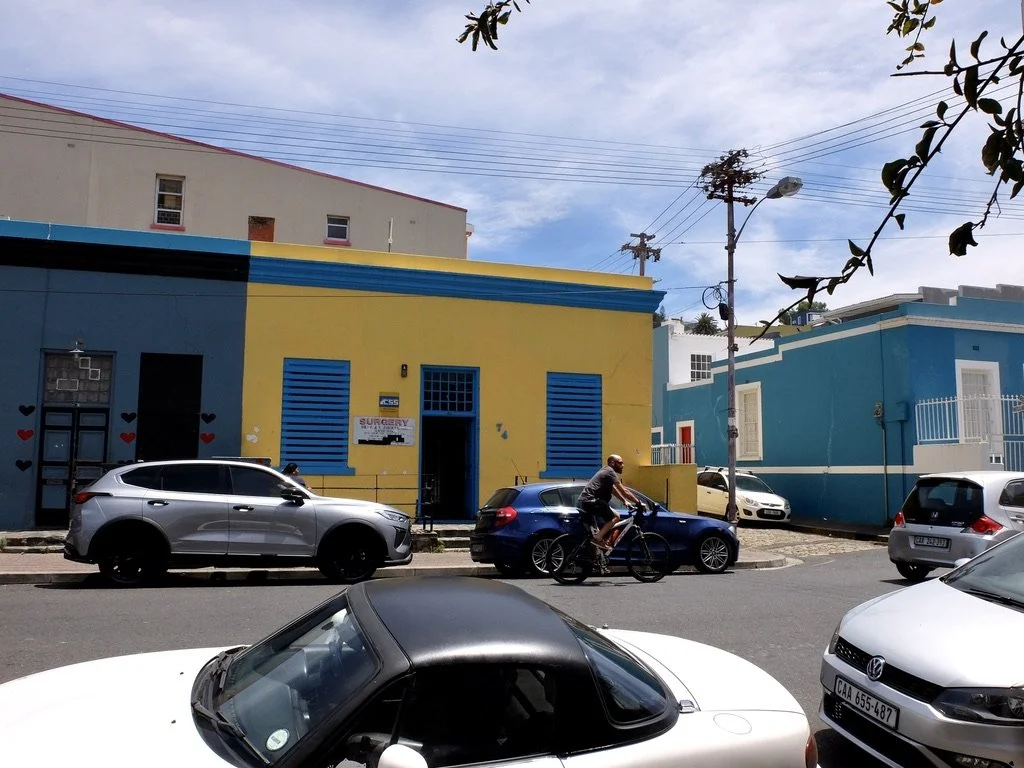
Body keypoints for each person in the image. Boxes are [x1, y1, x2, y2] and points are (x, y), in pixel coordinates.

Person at [577, 455, 642, 564]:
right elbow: (624, 491)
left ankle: (596, 562)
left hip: (584, 502)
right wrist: (638, 503)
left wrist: (624, 501)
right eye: (620, 463)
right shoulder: (610, 471)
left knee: (600, 529)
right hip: (590, 502)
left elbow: (613, 490)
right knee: (614, 518)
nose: (623, 465)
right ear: (612, 463)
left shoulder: (605, 472)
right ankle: (598, 539)